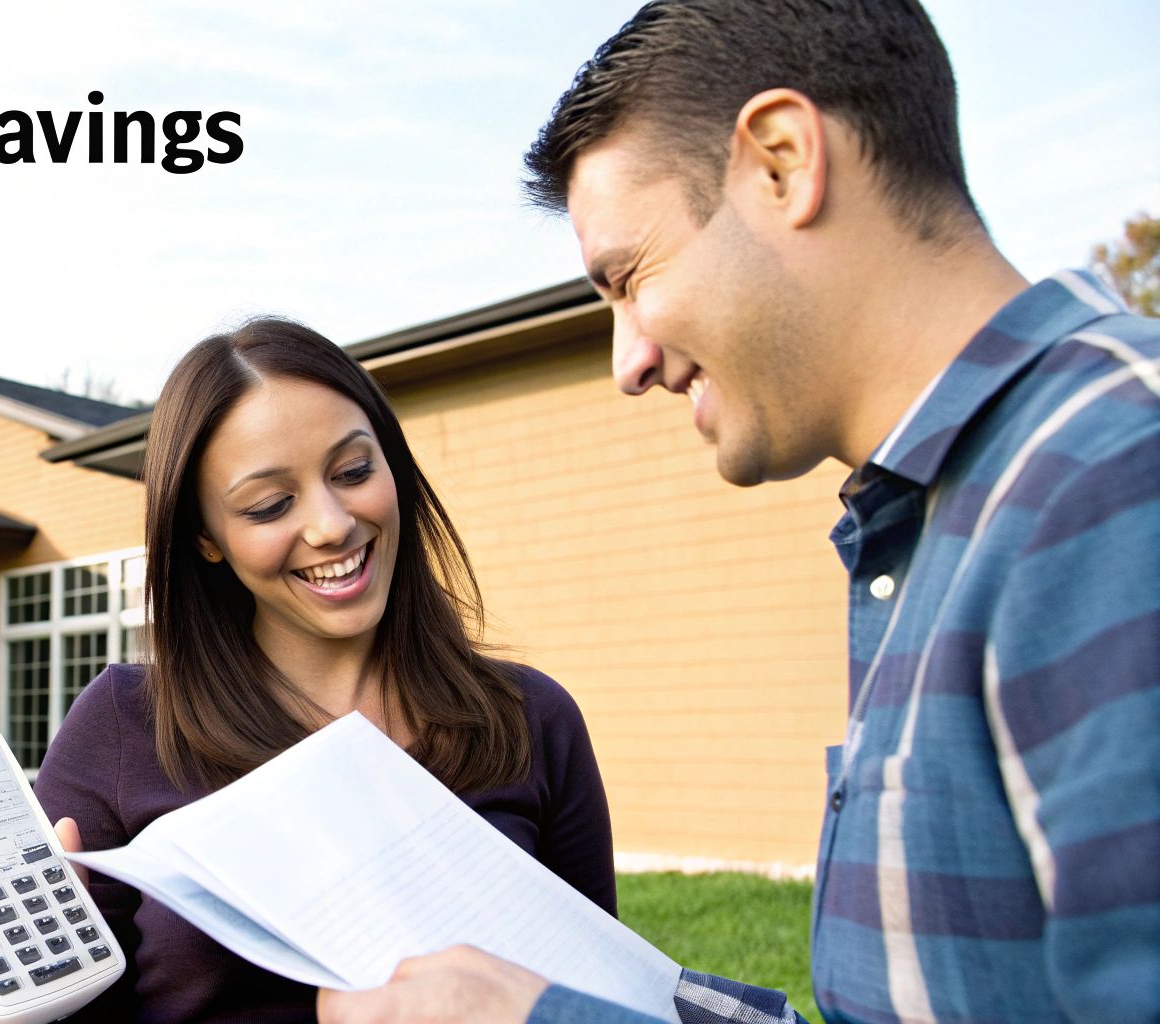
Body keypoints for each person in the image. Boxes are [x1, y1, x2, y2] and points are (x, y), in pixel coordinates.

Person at [319, 1, 1160, 1022]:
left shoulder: (1115, 478)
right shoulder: (935, 523)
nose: (626, 361)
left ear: (779, 161)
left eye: (626, 279)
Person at [0, 318, 622, 1021]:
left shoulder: (530, 719)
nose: (331, 524)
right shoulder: (123, 727)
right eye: (269, 505)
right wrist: (23, 1006)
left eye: (355, 469)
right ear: (205, 537)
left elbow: (607, 999)